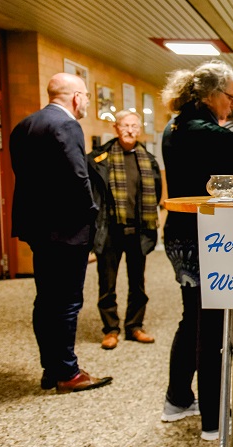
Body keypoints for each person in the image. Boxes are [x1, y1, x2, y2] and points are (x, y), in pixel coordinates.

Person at [160, 60, 233, 440]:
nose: (232, 107)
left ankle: (177, 399)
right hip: (205, 237)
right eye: (231, 98)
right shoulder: (202, 129)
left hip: (179, 235)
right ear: (212, 94)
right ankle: (215, 419)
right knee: (214, 325)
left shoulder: (175, 126)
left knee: (193, 318)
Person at [10, 72, 112, 394]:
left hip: (39, 230)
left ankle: (50, 368)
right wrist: (92, 216)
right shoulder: (67, 125)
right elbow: (77, 178)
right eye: (86, 96)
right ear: (76, 97)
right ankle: (68, 373)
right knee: (67, 302)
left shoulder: (23, 126)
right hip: (68, 231)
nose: (86, 103)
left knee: (46, 300)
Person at [88, 110, 161, 350]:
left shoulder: (148, 160)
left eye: (134, 126)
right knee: (106, 284)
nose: (130, 130)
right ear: (116, 128)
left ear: (139, 130)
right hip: (110, 230)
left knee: (138, 283)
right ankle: (110, 329)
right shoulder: (100, 159)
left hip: (138, 230)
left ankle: (134, 326)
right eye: (125, 125)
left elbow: (157, 193)